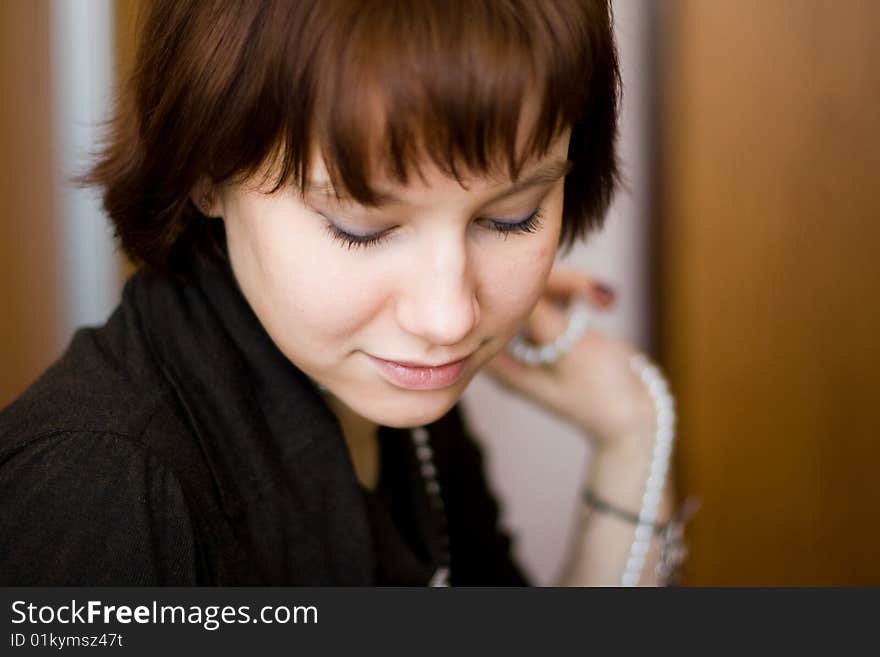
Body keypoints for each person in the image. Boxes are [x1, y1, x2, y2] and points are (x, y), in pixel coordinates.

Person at [0, 0, 676, 585]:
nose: (448, 316)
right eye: (362, 227)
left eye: (510, 216)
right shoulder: (96, 491)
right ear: (208, 170)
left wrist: (631, 438)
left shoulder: (390, 387)